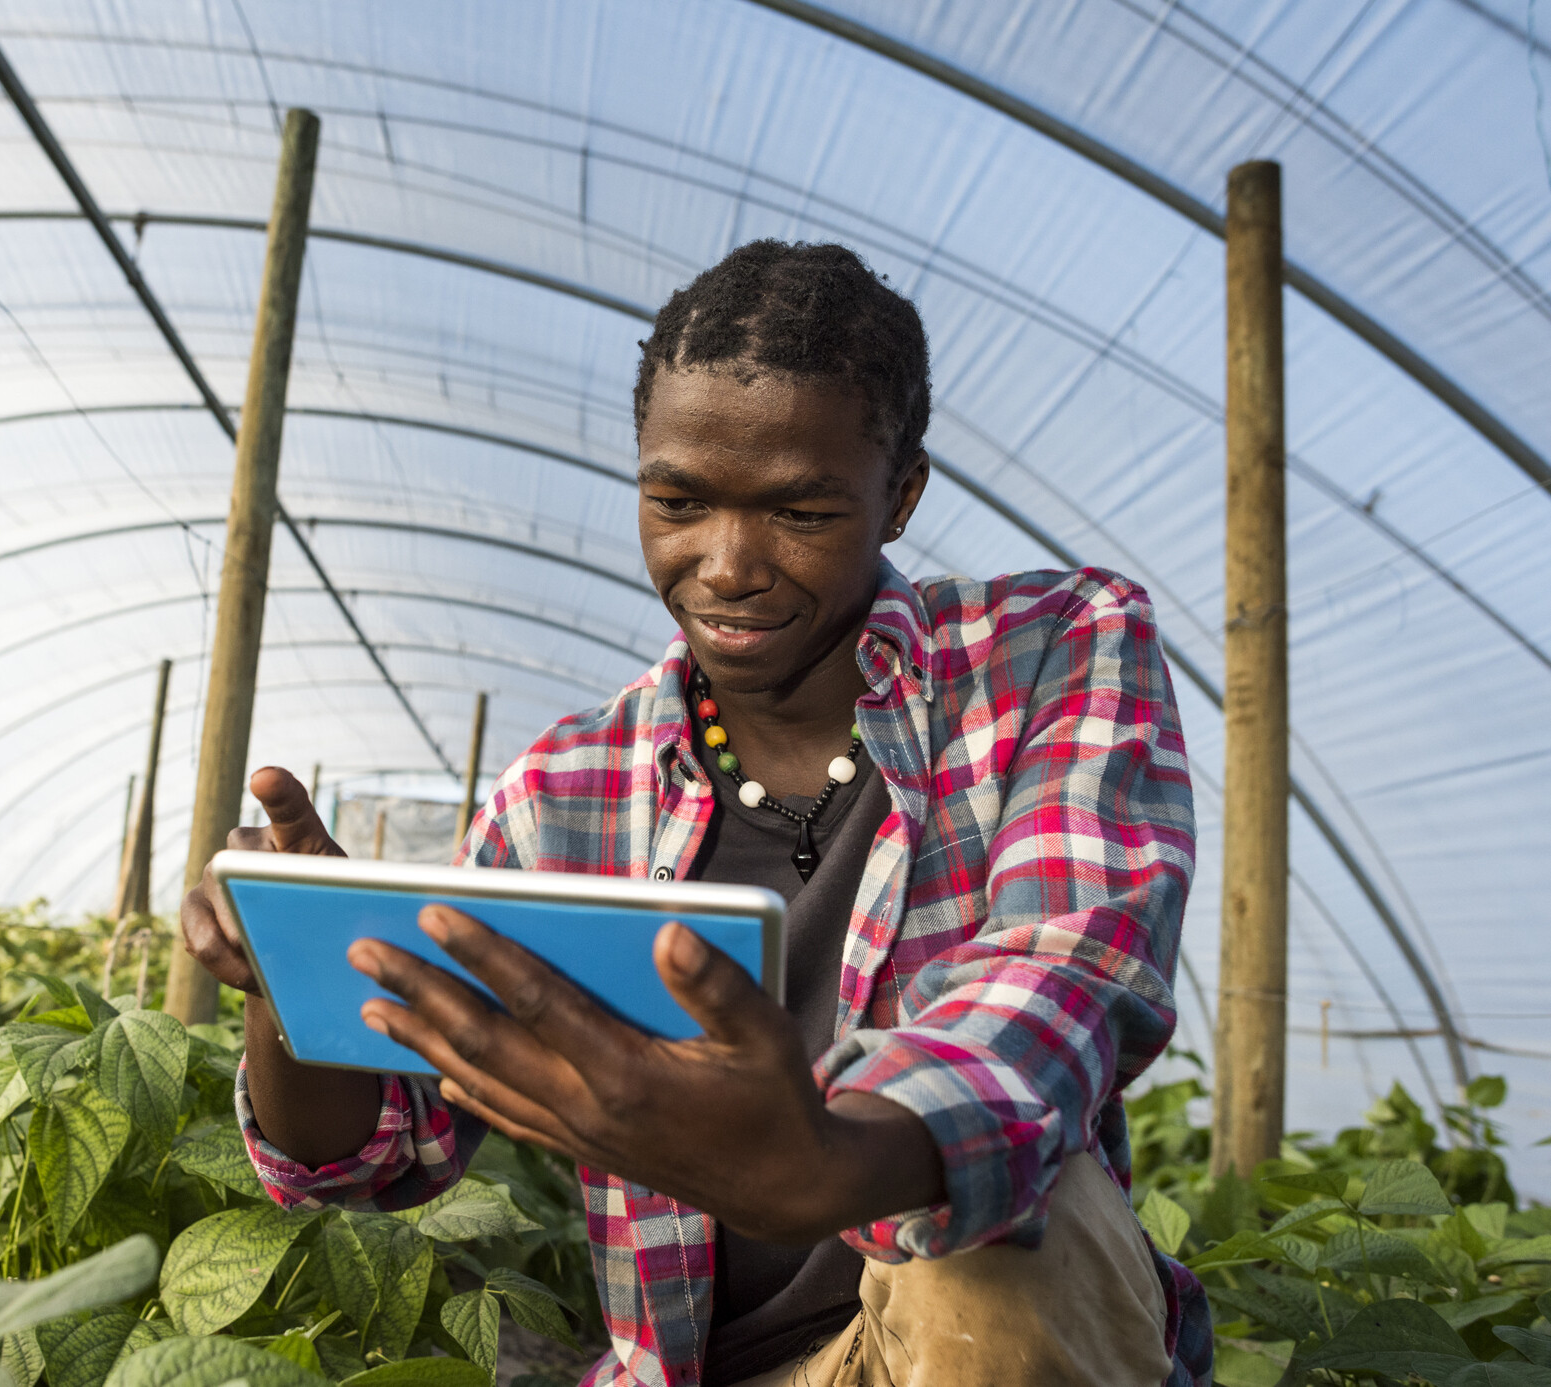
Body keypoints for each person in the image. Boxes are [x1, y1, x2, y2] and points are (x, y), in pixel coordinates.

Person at [180, 240, 1211, 1387]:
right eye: (678, 502)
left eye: (802, 511)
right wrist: (301, 979)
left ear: (900, 495)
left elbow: (1062, 972)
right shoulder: (568, 792)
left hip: (959, 1348)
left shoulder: (1045, 657)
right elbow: (374, 1157)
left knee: (1013, 1228)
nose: (726, 565)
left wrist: (830, 1162)